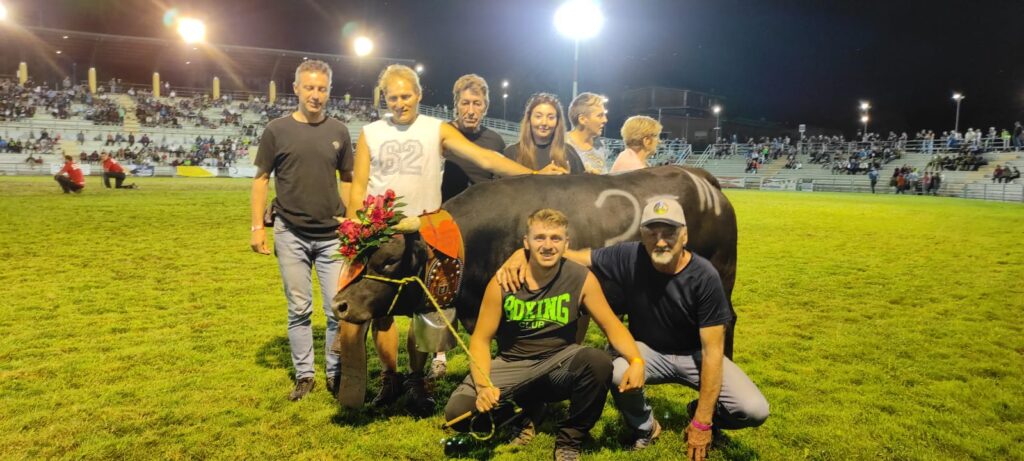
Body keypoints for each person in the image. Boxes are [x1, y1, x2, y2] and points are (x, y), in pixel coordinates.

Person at [344, 64, 565, 416]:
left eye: (406, 96)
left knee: (423, 308)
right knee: (380, 312)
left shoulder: (436, 129)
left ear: (418, 95)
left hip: (425, 231)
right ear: (384, 97)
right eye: (392, 97)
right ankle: (390, 376)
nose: (400, 103)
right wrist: (358, 230)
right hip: (380, 233)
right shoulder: (370, 133)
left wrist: (535, 175)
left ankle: (418, 379)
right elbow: (358, 186)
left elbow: (485, 158)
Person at [497, 198, 769, 459]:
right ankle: (646, 427)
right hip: (647, 351)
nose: (660, 240)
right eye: (652, 232)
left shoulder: (704, 276)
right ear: (642, 234)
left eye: (669, 232)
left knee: (754, 410)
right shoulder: (630, 255)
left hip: (696, 355)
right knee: (615, 372)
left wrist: (703, 422)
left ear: (684, 236)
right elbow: (577, 257)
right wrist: (523, 254)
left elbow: (713, 351)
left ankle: (699, 411)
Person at [444, 208, 645, 461]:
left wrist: (636, 361)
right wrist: (484, 386)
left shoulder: (581, 278)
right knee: (457, 413)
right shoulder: (503, 282)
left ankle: (570, 441)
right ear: (526, 242)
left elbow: (612, 325)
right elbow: (481, 340)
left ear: (566, 243)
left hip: (560, 363)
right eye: (540, 238)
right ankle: (522, 413)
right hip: (512, 363)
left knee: (598, 362)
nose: (548, 245)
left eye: (555, 238)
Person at [250, 60, 354, 401]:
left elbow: (349, 180)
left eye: (321, 89)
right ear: (295, 88)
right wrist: (256, 227)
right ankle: (305, 374)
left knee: (337, 310)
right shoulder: (276, 130)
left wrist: (352, 222)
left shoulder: (339, 131)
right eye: (309, 87)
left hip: (332, 237)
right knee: (299, 309)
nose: (315, 95)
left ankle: (335, 373)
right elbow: (261, 179)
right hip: (290, 233)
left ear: (328, 91)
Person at [440, 74, 507, 202]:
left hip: (481, 216)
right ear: (456, 105)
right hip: (446, 216)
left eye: (477, 104)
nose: (471, 111)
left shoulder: (496, 141)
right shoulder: (442, 135)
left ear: (485, 107)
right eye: (465, 103)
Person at [504, 93, 586, 175]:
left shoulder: (569, 152)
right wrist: (540, 176)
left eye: (551, 117)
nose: (544, 122)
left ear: (558, 121)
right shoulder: (512, 153)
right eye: (538, 116)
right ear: (529, 119)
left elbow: (581, 185)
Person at [566, 92, 610, 174]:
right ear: (582, 119)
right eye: (600, 115)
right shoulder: (561, 145)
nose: (605, 120)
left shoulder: (601, 146)